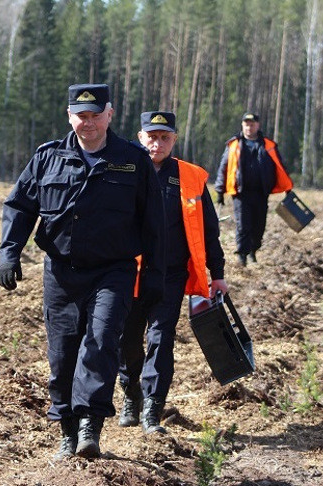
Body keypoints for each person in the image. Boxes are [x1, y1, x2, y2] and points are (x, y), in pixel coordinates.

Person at [0, 84, 166, 459]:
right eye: (80, 115)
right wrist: (10, 252)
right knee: (62, 354)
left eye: (94, 115)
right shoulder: (48, 158)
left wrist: (155, 273)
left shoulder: (132, 160)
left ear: (109, 114)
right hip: (61, 272)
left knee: (101, 341)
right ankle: (67, 432)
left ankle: (91, 423)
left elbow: (154, 221)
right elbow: (20, 206)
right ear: (69, 115)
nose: (87, 123)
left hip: (114, 271)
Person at [118, 111, 229, 435]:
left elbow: (209, 229)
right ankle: (131, 395)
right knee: (127, 340)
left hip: (171, 274)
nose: (157, 143)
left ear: (174, 140)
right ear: (140, 138)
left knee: (161, 338)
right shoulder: (125, 170)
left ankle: (153, 407)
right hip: (130, 273)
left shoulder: (190, 177)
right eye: (151, 136)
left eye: (164, 137)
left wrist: (217, 273)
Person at [214, 111, 293, 266]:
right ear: (242, 125)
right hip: (240, 194)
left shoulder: (269, 145)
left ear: (257, 125)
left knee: (259, 225)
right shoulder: (234, 145)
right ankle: (242, 255)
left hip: (261, 193)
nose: (249, 127)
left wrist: (287, 187)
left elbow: (280, 167)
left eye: (252, 124)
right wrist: (219, 191)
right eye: (246, 124)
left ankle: (253, 251)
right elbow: (224, 167)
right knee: (243, 225)